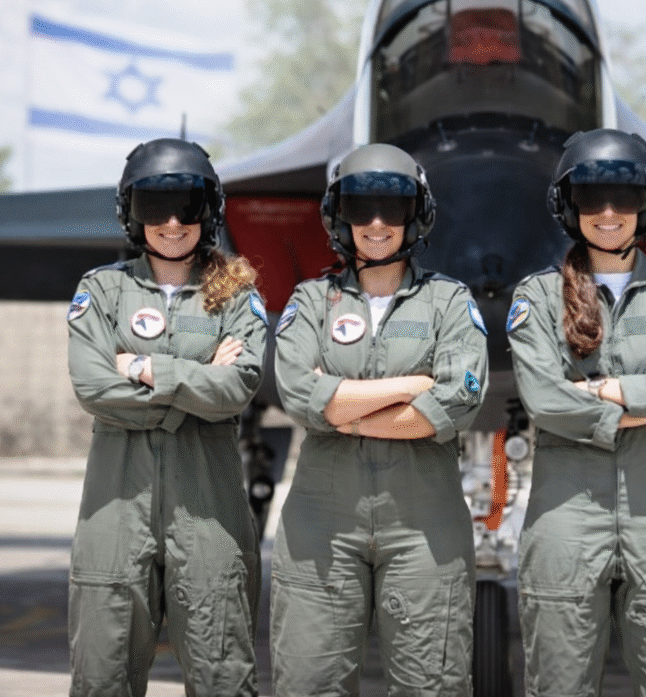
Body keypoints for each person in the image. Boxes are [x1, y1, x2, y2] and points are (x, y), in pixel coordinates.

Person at [507, 128, 646, 696]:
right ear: (568, 205)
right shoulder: (537, 296)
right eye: (590, 198)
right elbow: (545, 401)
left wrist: (600, 392)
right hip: (567, 516)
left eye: (623, 197)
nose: (608, 213)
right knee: (558, 682)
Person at [270, 143, 489, 695]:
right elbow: (296, 392)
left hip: (423, 530)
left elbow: (457, 402)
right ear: (338, 216)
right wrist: (410, 388)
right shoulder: (310, 301)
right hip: (322, 528)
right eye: (359, 208)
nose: (375, 224)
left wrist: (338, 407)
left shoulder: (449, 302)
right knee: (309, 682)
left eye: (392, 208)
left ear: (415, 215)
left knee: (431, 685)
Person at [66, 138, 267, 697]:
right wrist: (194, 380)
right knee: (101, 679)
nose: (173, 222)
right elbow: (94, 386)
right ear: (132, 212)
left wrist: (147, 367)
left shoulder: (236, 296)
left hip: (210, 518)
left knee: (223, 678)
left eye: (189, 206)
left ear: (210, 211)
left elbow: (237, 389)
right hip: (115, 516)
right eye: (155, 207)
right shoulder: (102, 291)